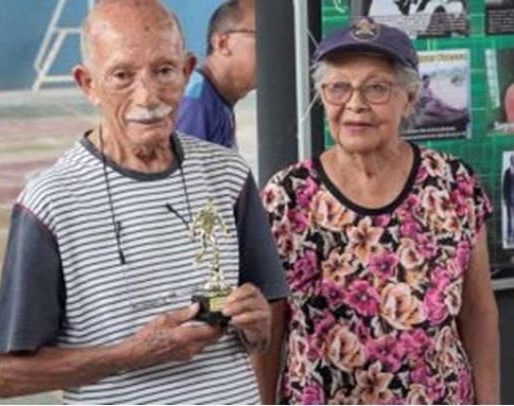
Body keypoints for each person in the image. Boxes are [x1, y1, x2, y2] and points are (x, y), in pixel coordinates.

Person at [0, 0, 288, 403]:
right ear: (88, 84)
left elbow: (261, 333)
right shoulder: (50, 203)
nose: (148, 95)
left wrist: (257, 325)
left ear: (186, 71)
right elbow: (8, 376)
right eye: (122, 76)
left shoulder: (229, 175)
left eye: (164, 71)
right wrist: (134, 353)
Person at [261, 17, 499, 404]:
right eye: (338, 87)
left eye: (376, 88)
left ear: (409, 97)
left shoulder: (455, 185)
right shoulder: (286, 197)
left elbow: (478, 313)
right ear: (322, 96)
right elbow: (267, 330)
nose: (355, 105)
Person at [176, 0, 256, 148]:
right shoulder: (195, 102)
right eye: (260, 34)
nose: (271, 44)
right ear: (222, 44)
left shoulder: (217, 99)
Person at [503, 154, 514, 244]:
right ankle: (510, 236)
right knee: (509, 218)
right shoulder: (507, 172)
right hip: (509, 199)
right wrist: (504, 198)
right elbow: (504, 186)